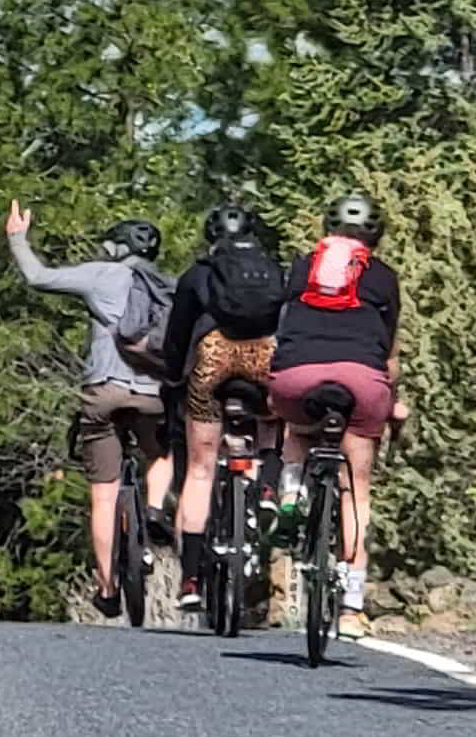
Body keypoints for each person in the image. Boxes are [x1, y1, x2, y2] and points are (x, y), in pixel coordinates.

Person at [5, 202, 175, 613]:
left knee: (103, 495)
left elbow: (38, 277)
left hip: (104, 390)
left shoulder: (101, 274)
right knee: (162, 452)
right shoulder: (169, 284)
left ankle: (108, 588)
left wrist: (17, 238)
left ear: (116, 248)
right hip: (154, 393)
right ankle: (153, 510)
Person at [266, 194, 397, 635]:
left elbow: (283, 327)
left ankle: (289, 490)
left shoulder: (302, 267)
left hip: (295, 376)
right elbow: (389, 351)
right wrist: (394, 400)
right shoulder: (383, 277)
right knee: (356, 489)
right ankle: (353, 605)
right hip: (362, 381)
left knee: (297, 429)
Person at [158, 200, 288, 592]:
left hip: (211, 363)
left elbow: (176, 337)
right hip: (261, 362)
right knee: (272, 416)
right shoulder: (273, 270)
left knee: (200, 470)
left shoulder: (199, 273)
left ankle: (192, 581)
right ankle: (267, 481)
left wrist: (173, 377)